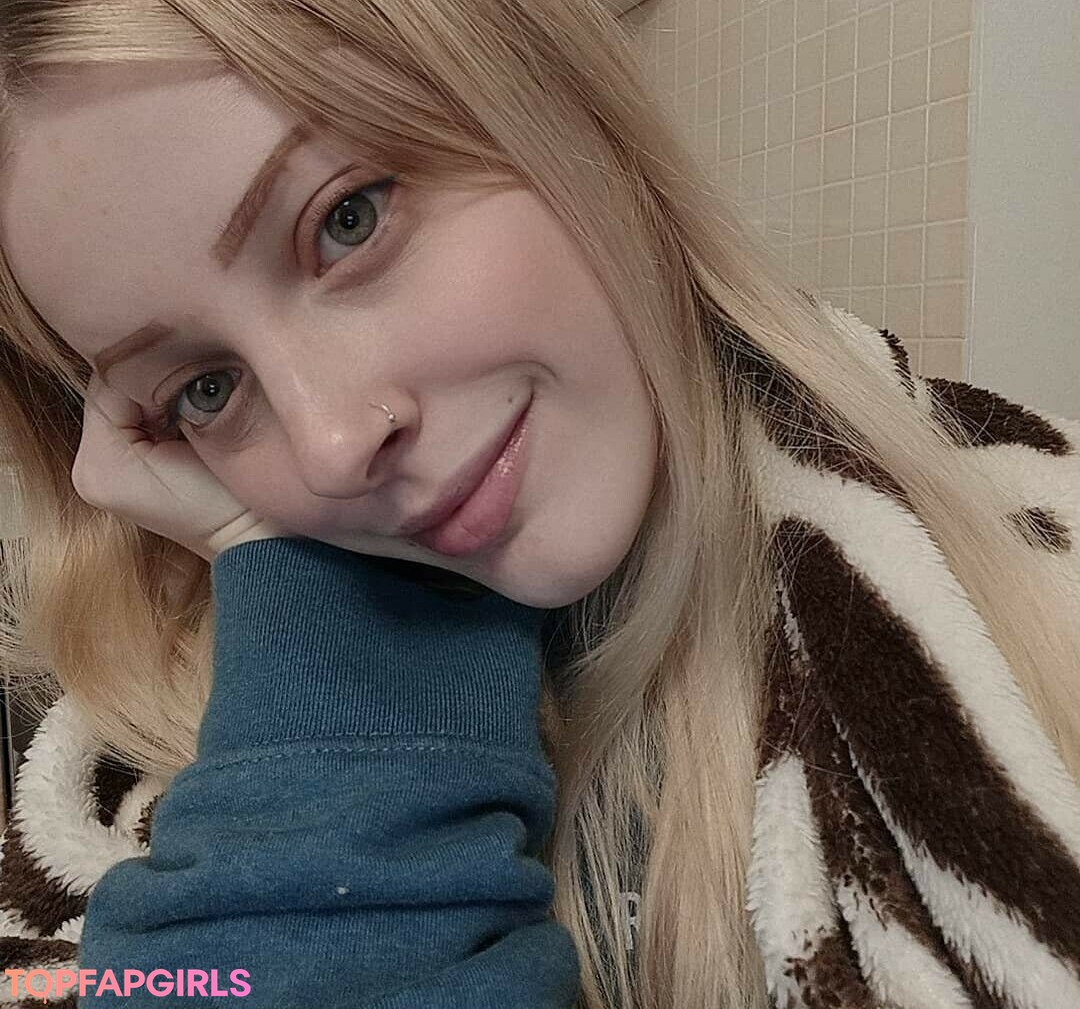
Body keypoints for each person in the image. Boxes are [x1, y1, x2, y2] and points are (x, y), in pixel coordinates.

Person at [0, 1, 1077, 1007]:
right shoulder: (143, 778)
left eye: (347, 221)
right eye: (205, 389)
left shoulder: (1039, 563)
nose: (330, 447)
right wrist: (341, 642)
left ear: (546, 100)